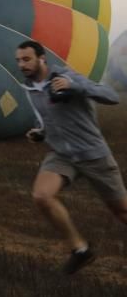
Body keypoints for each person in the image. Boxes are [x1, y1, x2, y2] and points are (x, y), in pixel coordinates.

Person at [17, 39, 127, 274]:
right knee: (42, 196)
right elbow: (45, 119)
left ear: (41, 59)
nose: (21, 65)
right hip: (62, 154)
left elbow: (111, 96)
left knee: (121, 210)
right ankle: (81, 250)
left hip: (92, 153)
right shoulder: (30, 89)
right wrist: (40, 132)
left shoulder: (67, 76)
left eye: (26, 59)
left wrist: (75, 86)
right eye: (18, 60)